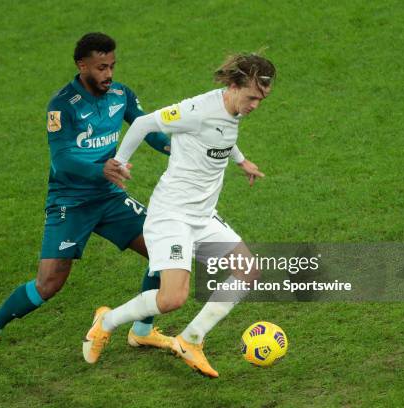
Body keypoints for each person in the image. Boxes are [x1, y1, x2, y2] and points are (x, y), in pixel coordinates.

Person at [0, 32, 174, 364]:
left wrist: (176, 149)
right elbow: (62, 159)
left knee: (163, 252)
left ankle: (141, 330)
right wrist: (101, 170)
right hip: (71, 202)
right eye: (101, 67)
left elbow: (146, 129)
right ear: (82, 66)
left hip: (109, 197)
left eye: (112, 65)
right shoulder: (62, 105)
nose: (108, 74)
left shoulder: (121, 95)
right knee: (48, 284)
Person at [83, 53, 275, 377]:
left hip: (202, 216)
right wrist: (121, 161)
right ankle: (107, 321)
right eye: (252, 97)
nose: (255, 105)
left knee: (248, 271)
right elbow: (144, 124)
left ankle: (191, 340)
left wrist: (241, 161)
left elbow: (224, 138)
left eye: (262, 99)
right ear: (233, 86)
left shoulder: (234, 109)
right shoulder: (198, 110)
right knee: (172, 298)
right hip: (171, 216)